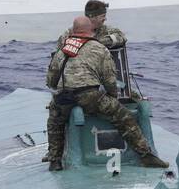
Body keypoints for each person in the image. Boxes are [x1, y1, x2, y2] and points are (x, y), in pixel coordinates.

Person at [44, 16, 168, 172]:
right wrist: (111, 95)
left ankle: (55, 160)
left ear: (74, 30)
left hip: (64, 97)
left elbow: (51, 81)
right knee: (123, 116)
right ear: (90, 30)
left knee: (55, 119)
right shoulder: (98, 48)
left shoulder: (62, 50)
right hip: (88, 96)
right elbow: (109, 78)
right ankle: (146, 155)